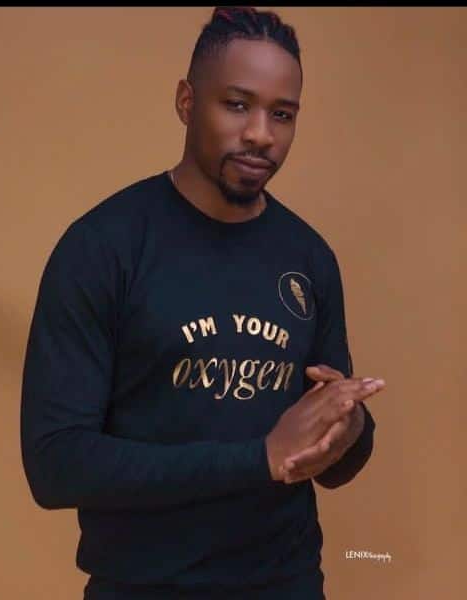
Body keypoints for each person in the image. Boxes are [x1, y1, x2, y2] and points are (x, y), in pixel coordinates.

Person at [20, 6, 385, 599]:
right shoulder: (103, 247)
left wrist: (349, 430)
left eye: (282, 113)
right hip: (142, 588)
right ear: (187, 102)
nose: (261, 133)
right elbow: (55, 466)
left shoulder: (309, 258)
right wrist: (259, 458)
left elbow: (333, 461)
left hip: (287, 585)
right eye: (237, 104)